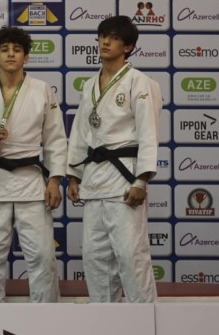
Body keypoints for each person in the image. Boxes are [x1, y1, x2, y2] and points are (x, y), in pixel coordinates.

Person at [0, 26, 66, 303]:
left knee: (42, 256)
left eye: (17, 50)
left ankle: (46, 318)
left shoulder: (41, 90)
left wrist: (55, 179)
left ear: (26, 57)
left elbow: (55, 138)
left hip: (31, 182)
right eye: (4, 50)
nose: (11, 54)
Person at [67, 16, 160, 303]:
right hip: (94, 177)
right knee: (95, 257)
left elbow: (148, 132)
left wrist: (141, 180)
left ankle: (145, 319)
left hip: (125, 178)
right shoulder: (90, 85)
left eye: (114, 38)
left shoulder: (140, 82)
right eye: (103, 36)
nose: (106, 42)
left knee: (131, 254)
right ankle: (104, 319)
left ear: (128, 46)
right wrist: (74, 174)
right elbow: (81, 131)